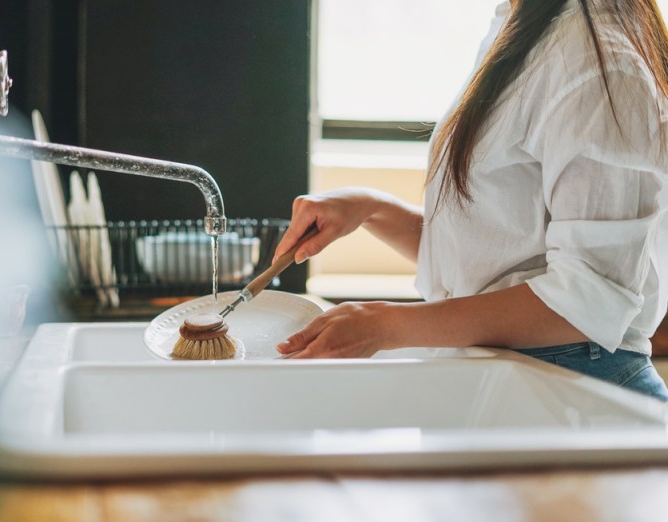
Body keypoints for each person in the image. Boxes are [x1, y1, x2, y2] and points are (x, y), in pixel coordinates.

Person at [273, 0, 668, 401]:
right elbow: (498, 256)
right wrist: (373, 208)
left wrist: (388, 324)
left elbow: (589, 299)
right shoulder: (524, 25)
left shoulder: (594, 58)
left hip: (580, 396)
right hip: (525, 384)